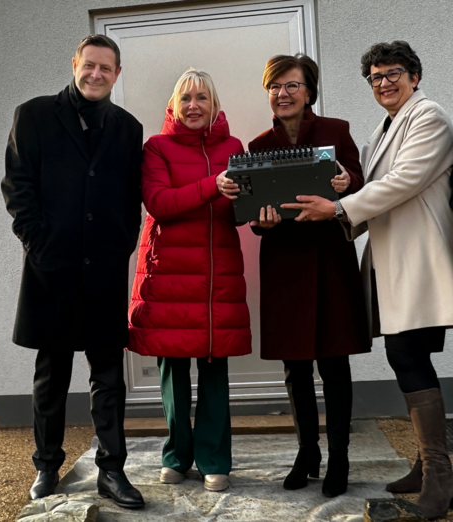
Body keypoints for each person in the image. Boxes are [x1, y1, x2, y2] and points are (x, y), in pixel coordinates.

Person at [282, 41, 453, 518]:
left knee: (408, 355)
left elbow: (404, 181)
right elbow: (371, 187)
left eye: (393, 73)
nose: (383, 83)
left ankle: (439, 477)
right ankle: (426, 465)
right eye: (375, 77)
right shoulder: (384, 126)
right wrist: (343, 190)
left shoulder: (430, 116)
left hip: (418, 258)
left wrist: (339, 207)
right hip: (392, 259)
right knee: (408, 355)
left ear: (415, 76)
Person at [1, 34, 145, 509]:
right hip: (52, 267)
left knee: (108, 376)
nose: (96, 75)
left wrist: (122, 245)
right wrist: (38, 242)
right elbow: (17, 187)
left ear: (117, 74)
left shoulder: (128, 128)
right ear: (75, 64)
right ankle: (46, 466)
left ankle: (112, 469)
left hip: (104, 269)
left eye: (106, 68)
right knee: (51, 375)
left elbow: (129, 198)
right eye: (90, 66)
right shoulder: (35, 115)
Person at [247, 54, 371, 498]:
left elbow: (359, 182)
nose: (282, 94)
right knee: (294, 366)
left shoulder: (336, 131)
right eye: (275, 87)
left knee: (334, 363)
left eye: (291, 86)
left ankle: (339, 455)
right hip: (283, 263)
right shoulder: (258, 145)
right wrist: (261, 220)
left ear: (309, 91)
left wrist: (345, 183)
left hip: (329, 261)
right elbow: (251, 211)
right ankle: (307, 452)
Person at [127, 68, 251, 493]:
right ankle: (177, 455)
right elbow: (160, 203)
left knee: (215, 368)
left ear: (214, 104)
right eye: (186, 99)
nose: (194, 105)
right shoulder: (156, 148)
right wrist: (213, 185)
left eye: (202, 97)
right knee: (172, 369)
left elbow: (240, 209)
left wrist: (258, 208)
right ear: (174, 106)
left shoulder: (235, 147)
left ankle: (215, 459)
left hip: (217, 273)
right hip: (169, 272)